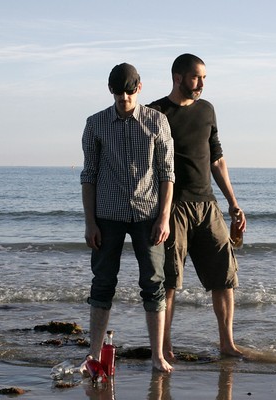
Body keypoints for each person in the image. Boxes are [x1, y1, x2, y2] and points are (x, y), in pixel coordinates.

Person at [148, 54, 246, 360]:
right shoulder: (155, 112)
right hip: (173, 208)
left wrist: (233, 202)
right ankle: (164, 346)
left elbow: (216, 157)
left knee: (224, 275)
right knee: (170, 280)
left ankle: (227, 344)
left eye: (204, 78)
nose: (201, 84)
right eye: (195, 77)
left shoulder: (207, 110)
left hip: (207, 206)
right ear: (177, 77)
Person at [80, 63, 175, 372]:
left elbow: (167, 174)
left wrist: (164, 217)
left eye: (129, 91)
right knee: (103, 282)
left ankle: (157, 356)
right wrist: (90, 222)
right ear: (110, 90)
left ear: (140, 87)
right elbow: (89, 175)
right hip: (107, 215)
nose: (124, 97)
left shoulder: (156, 122)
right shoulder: (95, 124)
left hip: (148, 215)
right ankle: (93, 355)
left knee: (153, 282)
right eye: (118, 92)